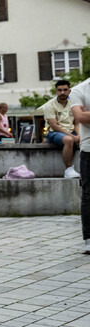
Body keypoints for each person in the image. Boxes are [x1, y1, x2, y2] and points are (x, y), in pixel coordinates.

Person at [40, 80, 81, 179]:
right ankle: (68, 170)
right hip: (54, 132)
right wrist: (73, 137)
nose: (62, 92)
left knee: (85, 140)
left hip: (71, 131)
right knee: (69, 140)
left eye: (65, 90)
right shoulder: (49, 105)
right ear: (56, 91)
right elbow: (54, 126)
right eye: (60, 90)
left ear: (69, 91)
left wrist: (79, 135)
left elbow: (76, 123)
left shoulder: (74, 104)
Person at [68, 76, 90, 254]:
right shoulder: (79, 90)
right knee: (88, 195)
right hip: (89, 149)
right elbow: (80, 117)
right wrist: (84, 115)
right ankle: (89, 239)